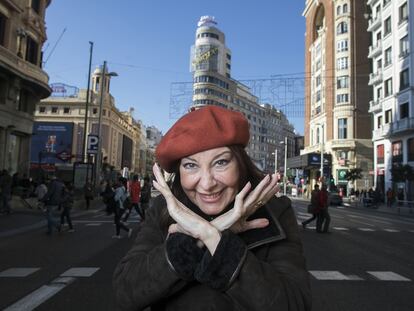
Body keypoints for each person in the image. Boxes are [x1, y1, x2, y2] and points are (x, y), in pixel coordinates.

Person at [113, 106, 311, 310]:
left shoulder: (275, 211)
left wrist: (214, 239)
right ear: (179, 172)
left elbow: (294, 303)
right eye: (191, 165)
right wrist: (198, 239)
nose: (207, 184)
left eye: (221, 162)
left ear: (240, 163)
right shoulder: (164, 209)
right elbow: (125, 292)